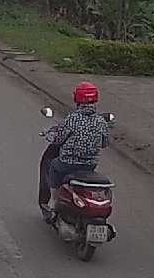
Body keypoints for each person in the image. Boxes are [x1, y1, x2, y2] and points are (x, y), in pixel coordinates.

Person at [41, 81, 111, 219]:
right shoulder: (101, 121)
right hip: (90, 165)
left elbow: (59, 139)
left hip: (67, 163)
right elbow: (105, 143)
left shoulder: (72, 119)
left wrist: (50, 136)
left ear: (77, 98)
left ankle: (54, 202)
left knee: (53, 166)